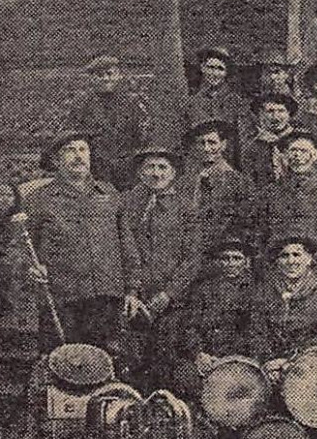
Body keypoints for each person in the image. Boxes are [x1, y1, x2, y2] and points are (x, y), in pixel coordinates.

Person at [20, 131, 144, 354]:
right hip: (62, 300)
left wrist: (132, 290)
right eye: (70, 150)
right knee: (61, 364)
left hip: (106, 299)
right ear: (56, 161)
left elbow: (127, 244)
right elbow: (20, 246)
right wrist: (30, 268)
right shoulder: (39, 199)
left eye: (83, 149)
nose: (78, 156)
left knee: (104, 366)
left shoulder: (108, 193)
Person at [119, 146, 203, 383]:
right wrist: (131, 292)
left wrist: (169, 294)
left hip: (173, 300)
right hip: (136, 298)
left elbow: (193, 257)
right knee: (133, 360)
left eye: (162, 167)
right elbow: (124, 249)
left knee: (166, 358)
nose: (156, 174)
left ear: (174, 173)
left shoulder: (186, 208)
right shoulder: (127, 205)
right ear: (140, 173)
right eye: (150, 167)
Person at [172, 237, 255, 403]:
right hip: (206, 357)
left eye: (236, 258)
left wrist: (229, 358)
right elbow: (190, 326)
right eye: (226, 258)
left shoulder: (256, 291)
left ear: (246, 262)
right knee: (184, 377)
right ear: (218, 262)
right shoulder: (203, 290)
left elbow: (255, 331)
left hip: (239, 358)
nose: (231, 263)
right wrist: (198, 353)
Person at [251, 235, 317, 375]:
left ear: (309, 259)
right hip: (271, 367)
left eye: (296, 255)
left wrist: (291, 361)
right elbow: (257, 330)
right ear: (277, 261)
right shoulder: (265, 289)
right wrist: (268, 361)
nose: (291, 261)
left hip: (309, 364)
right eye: (284, 256)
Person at [61, 54, 150, 188]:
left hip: (127, 170)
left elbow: (141, 138)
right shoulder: (81, 105)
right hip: (95, 171)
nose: (105, 78)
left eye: (110, 74)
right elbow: (70, 138)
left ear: (119, 76)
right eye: (100, 75)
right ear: (92, 79)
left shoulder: (132, 104)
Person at [255, 130, 317, 261]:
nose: (297, 155)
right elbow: (261, 233)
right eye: (292, 150)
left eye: (303, 151)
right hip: (280, 264)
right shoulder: (270, 192)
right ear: (285, 155)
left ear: (315, 155)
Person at [181, 119, 256, 257]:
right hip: (188, 250)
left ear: (223, 145)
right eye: (201, 143)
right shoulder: (186, 181)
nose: (206, 148)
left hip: (222, 253)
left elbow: (245, 223)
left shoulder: (238, 181)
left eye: (212, 142)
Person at [179, 46, 249, 150]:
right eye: (210, 68)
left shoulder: (236, 102)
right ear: (203, 68)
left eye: (220, 69)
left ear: (226, 73)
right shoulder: (191, 102)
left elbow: (243, 136)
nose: (215, 73)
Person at [240, 93, 299, 189]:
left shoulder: (300, 141)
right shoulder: (251, 144)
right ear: (260, 115)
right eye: (270, 111)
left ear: (289, 114)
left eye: (281, 111)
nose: (276, 117)